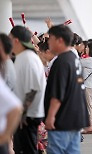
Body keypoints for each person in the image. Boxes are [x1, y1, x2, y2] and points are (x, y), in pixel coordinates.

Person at [44, 24, 89, 154]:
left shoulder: (61, 62)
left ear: (60, 40)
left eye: (50, 39)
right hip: (74, 119)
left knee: (57, 150)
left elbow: (57, 93)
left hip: (61, 119)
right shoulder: (73, 59)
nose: (48, 42)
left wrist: (51, 116)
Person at [9, 25, 46, 154]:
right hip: (25, 114)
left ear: (16, 41)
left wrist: (22, 115)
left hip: (28, 116)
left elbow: (33, 89)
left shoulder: (28, 59)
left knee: (27, 150)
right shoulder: (22, 57)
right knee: (21, 149)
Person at [0, 33, 22, 154]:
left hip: (3, 126)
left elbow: (15, 107)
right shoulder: (8, 65)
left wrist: (5, 135)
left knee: (9, 146)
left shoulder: (6, 67)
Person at [80, 40, 92, 134]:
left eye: (87, 47)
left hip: (88, 87)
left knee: (89, 106)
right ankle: (90, 126)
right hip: (91, 87)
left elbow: (77, 61)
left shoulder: (90, 60)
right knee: (90, 106)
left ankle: (90, 126)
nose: (85, 49)